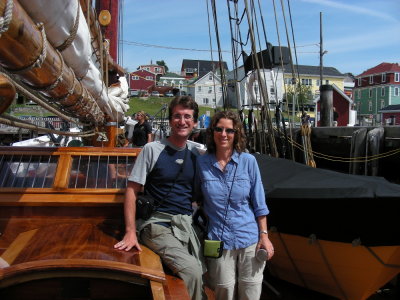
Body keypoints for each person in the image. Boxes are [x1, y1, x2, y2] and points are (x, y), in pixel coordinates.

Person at [114, 96, 207, 300]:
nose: (182, 121)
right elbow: (131, 190)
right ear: (170, 120)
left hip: (185, 224)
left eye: (187, 117)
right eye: (177, 116)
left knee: (207, 269)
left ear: (195, 122)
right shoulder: (152, 150)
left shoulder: (196, 154)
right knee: (192, 270)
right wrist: (130, 232)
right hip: (157, 224)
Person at [195, 110, 274, 300]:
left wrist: (264, 236)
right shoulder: (201, 163)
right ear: (212, 132)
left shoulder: (249, 162)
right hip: (218, 240)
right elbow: (195, 198)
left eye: (229, 131)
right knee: (223, 291)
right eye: (219, 129)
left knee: (251, 291)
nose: (223, 134)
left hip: (249, 238)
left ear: (236, 133)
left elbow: (259, 203)